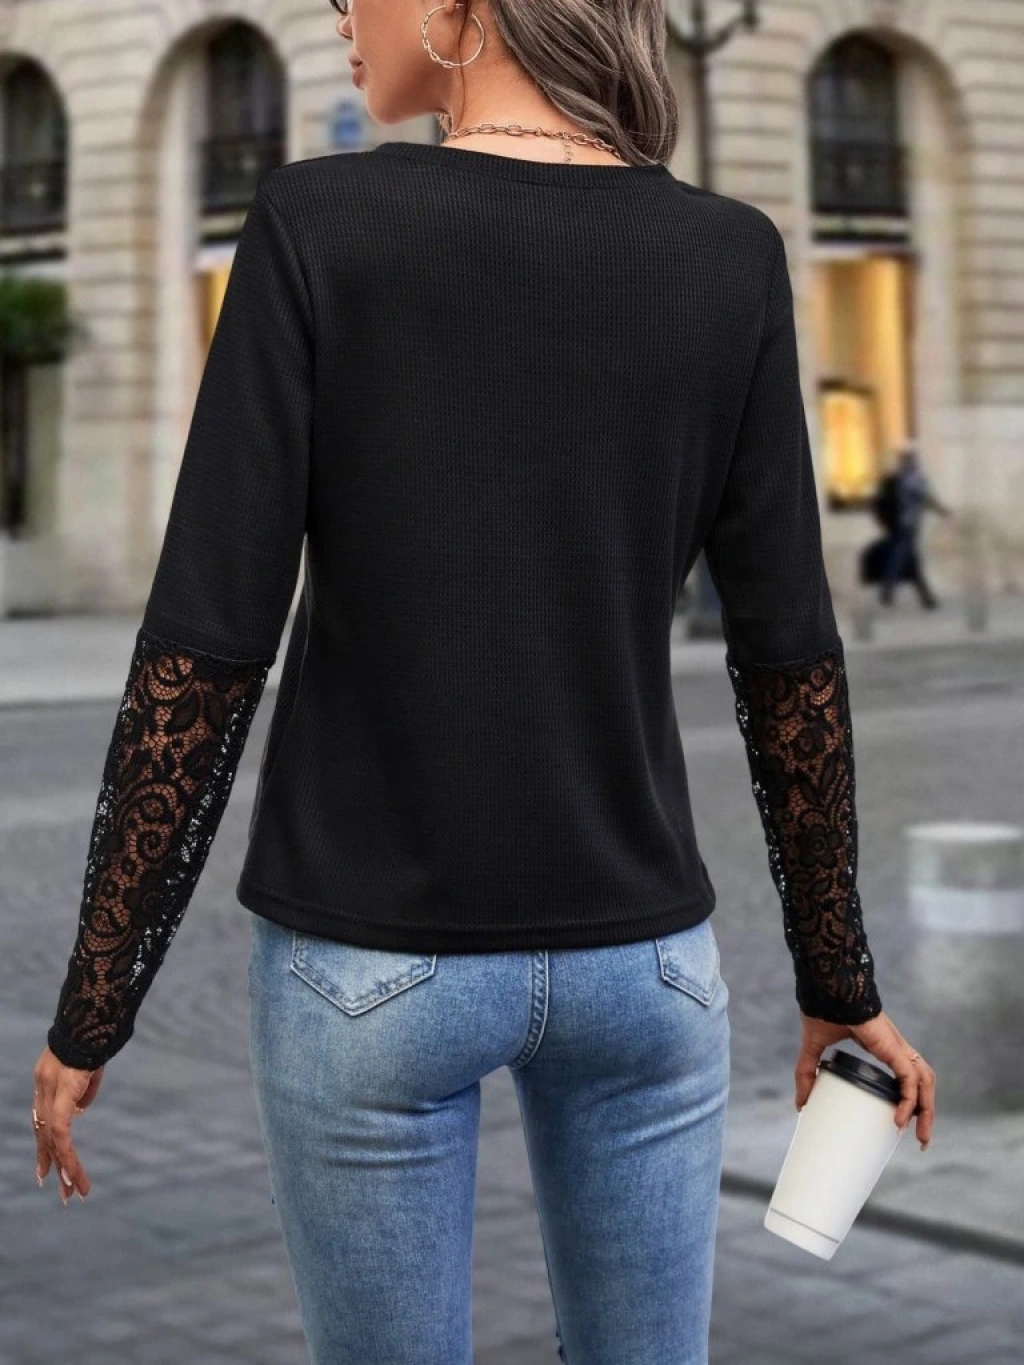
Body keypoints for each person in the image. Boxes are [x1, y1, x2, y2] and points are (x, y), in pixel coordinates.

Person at [31, 2, 936, 1361]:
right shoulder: (727, 255)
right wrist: (838, 981)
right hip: (645, 966)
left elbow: (205, 648)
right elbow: (789, 660)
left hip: (373, 960)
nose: (341, 12)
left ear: (461, 8)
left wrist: (97, 1000)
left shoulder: (319, 223)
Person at [879, 443, 953, 607]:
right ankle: (893, 590)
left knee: (907, 559)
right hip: (909, 525)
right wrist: (943, 511)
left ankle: (921, 597)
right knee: (903, 559)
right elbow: (927, 498)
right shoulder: (914, 478)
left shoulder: (901, 478)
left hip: (902, 523)